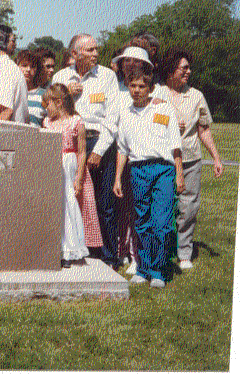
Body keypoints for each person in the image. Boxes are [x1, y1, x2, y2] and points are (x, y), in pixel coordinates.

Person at [52, 33, 120, 268]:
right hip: (69, 143)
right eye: (89, 50)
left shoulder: (107, 76)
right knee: (71, 199)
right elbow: (50, 110)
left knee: (104, 203)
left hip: (99, 141)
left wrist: (99, 150)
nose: (95, 54)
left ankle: (109, 257)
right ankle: (73, 250)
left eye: (96, 49)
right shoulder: (61, 76)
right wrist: (66, 94)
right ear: (74, 54)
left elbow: (113, 118)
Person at [113, 68, 185, 288]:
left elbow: (175, 144)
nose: (136, 90)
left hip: (163, 169)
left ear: (150, 88)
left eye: (141, 86)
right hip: (137, 170)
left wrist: (179, 174)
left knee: (161, 222)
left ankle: (159, 271)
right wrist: (117, 178)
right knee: (141, 221)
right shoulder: (125, 113)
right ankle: (143, 269)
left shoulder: (164, 109)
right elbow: (122, 149)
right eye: (132, 86)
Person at [154, 49, 224, 270]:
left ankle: (184, 253)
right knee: (163, 207)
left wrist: (216, 158)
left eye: (188, 68)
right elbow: (146, 121)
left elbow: (203, 130)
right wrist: (168, 121)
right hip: (163, 159)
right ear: (171, 69)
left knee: (188, 208)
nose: (188, 72)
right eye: (184, 68)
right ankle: (162, 251)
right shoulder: (156, 93)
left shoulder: (197, 96)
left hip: (191, 159)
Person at [109, 45, 156, 275]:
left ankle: (138, 255)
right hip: (118, 152)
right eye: (126, 61)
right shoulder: (116, 88)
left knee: (138, 207)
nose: (130, 65)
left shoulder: (153, 93)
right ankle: (122, 250)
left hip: (140, 157)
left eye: (135, 62)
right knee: (120, 206)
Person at [42, 85, 101, 268]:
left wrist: (79, 177)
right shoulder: (47, 123)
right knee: (54, 205)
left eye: (48, 104)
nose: (46, 109)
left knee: (68, 205)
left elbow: (82, 152)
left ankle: (68, 249)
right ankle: (52, 247)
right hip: (52, 164)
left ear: (59, 102)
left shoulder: (76, 122)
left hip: (68, 163)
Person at [16, 50, 46, 127]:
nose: (28, 69)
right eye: (24, 65)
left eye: (32, 66)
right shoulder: (11, 92)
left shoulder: (44, 95)